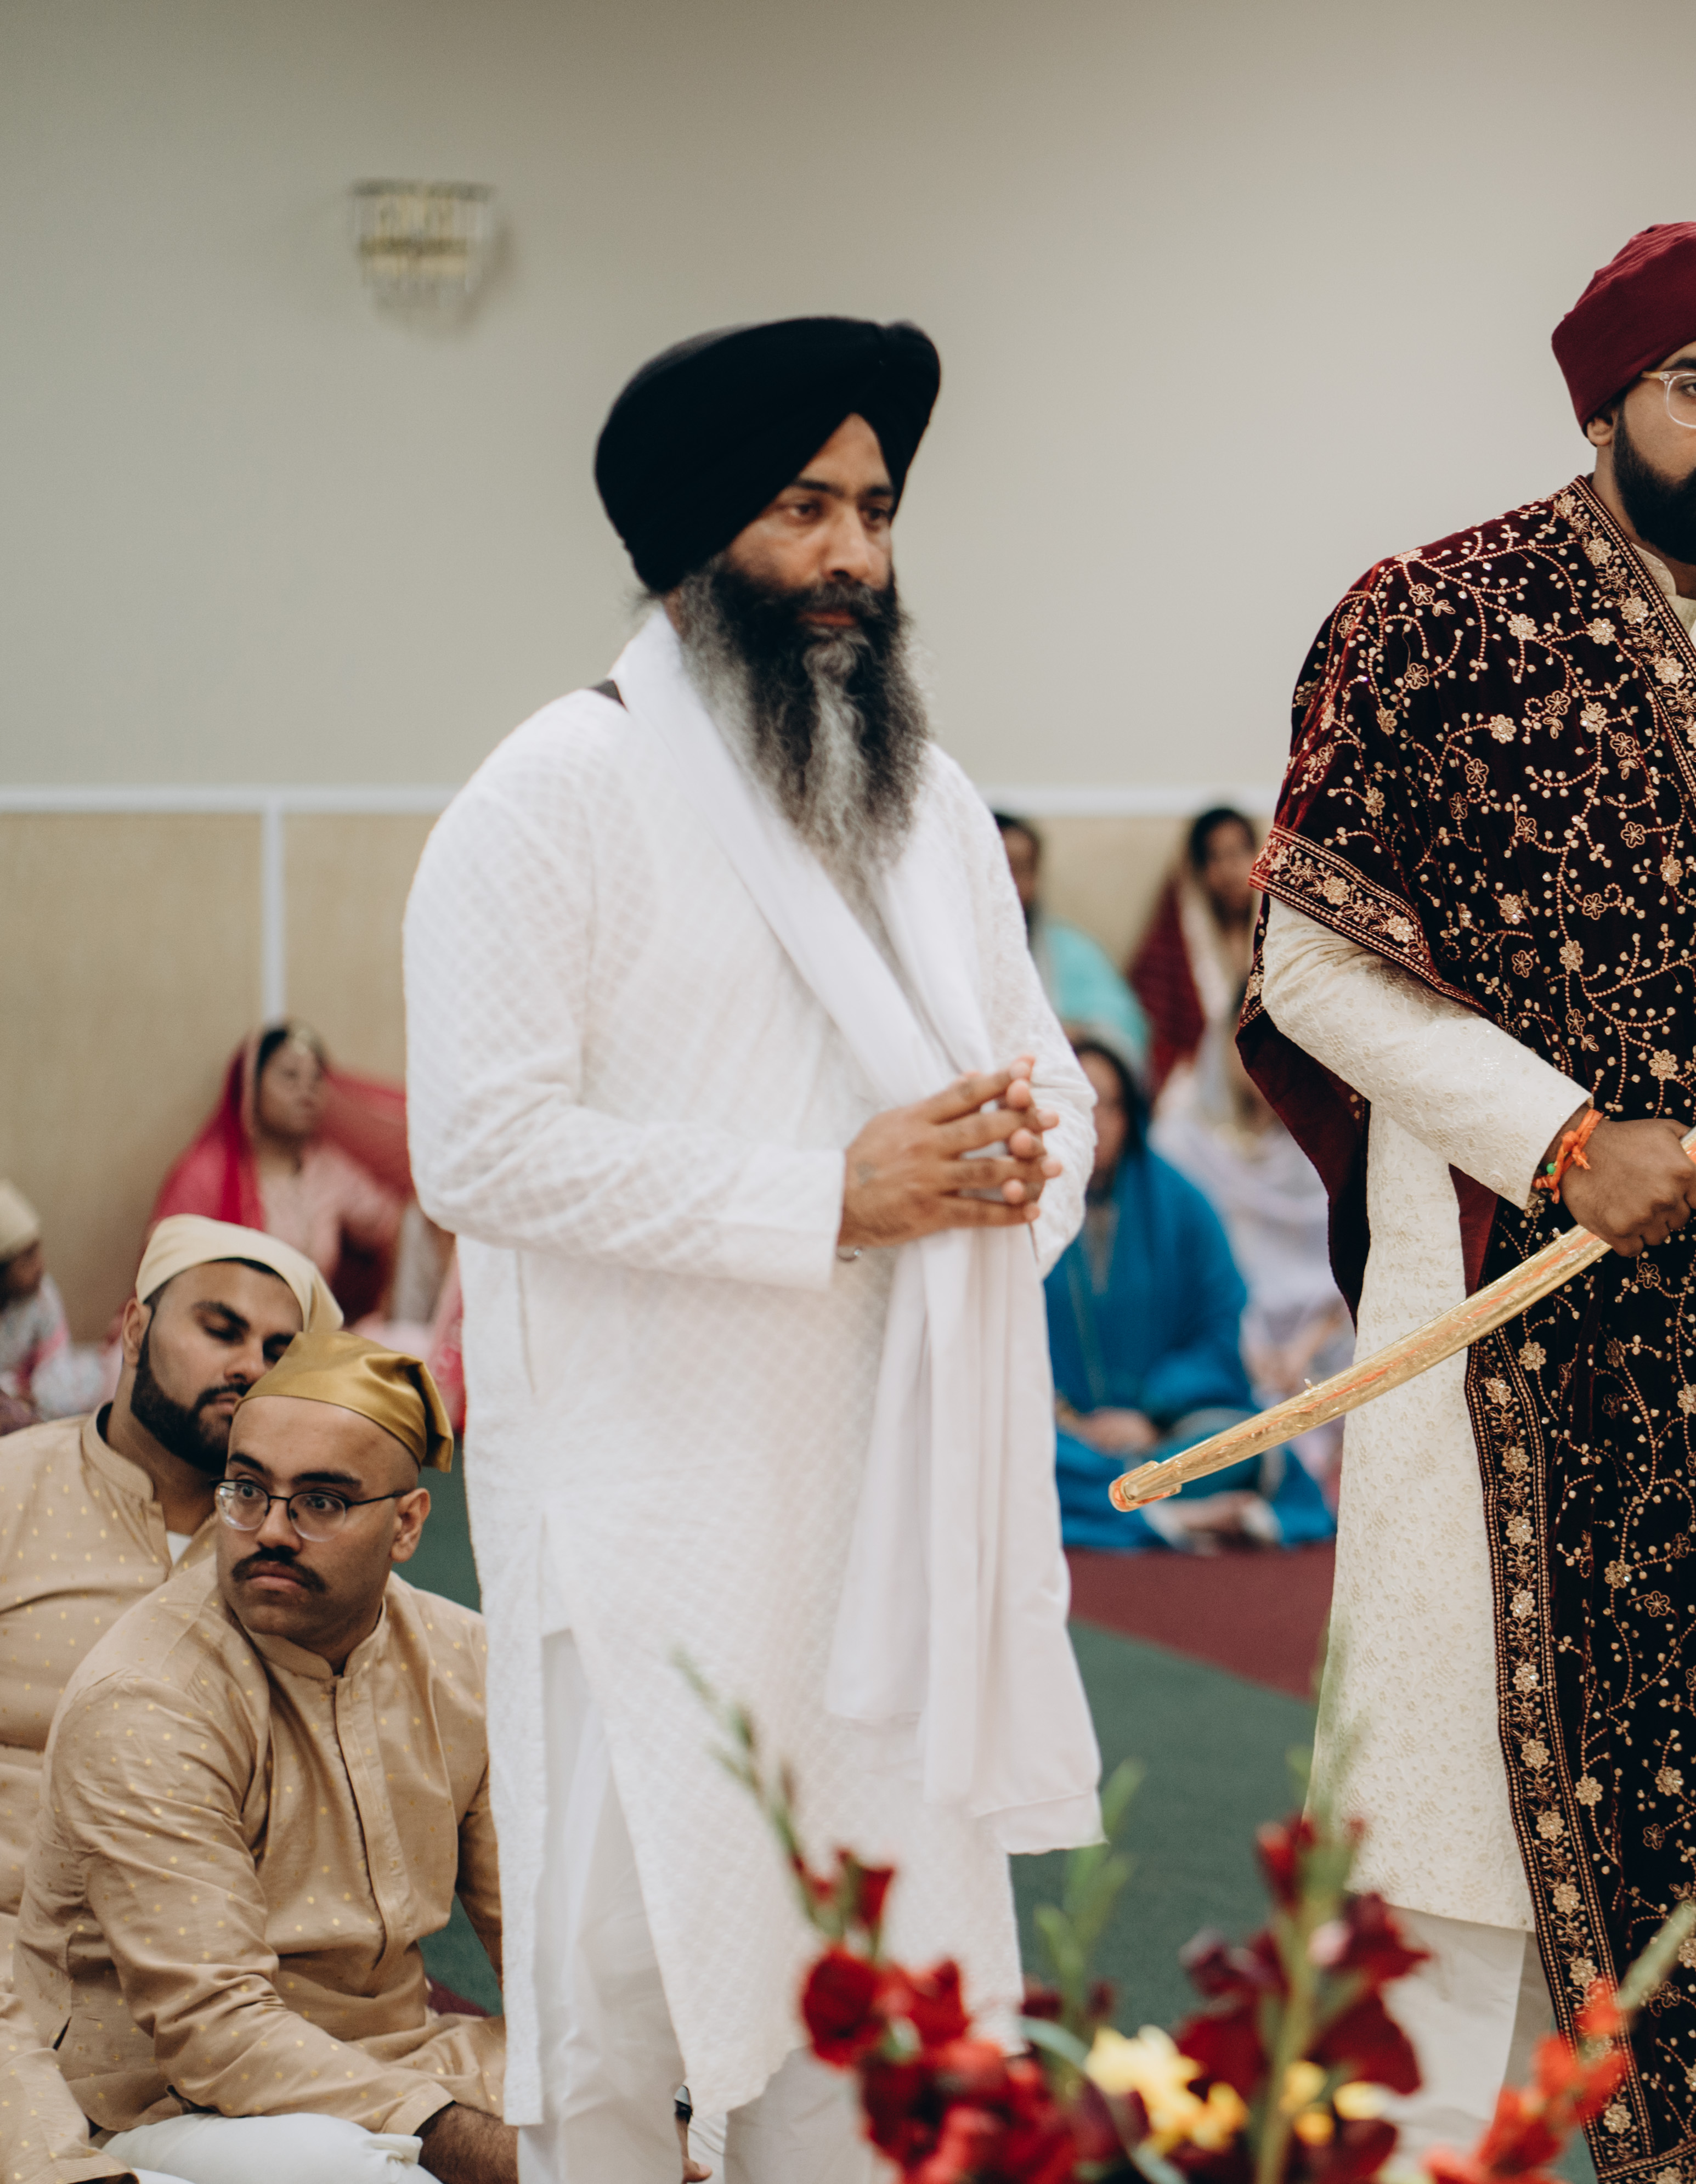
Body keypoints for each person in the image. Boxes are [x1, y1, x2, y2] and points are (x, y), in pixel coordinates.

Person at [1242, 213, 1696, 2184]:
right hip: (1509, 1320)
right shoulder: (1433, 620)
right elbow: (1311, 966)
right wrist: (1564, 1138)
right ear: (1602, 407)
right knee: (1456, 1859)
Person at [403, 316, 1100, 2182]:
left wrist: (1024, 1156)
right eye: (805, 508)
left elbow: (1043, 1074)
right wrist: (829, 1199)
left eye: (875, 508)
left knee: (876, 2002)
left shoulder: (925, 804)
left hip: (888, 1507)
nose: (857, 553)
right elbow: (479, 1145)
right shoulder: (554, 789)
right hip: (649, 1515)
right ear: (696, 535)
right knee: (619, 2013)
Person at [16, 1328, 507, 2184]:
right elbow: (217, 2033)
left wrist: (631, 2104)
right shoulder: (150, 1695)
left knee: (704, 2104)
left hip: (401, 2058)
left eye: (320, 1501)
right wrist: (492, 2149)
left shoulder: (465, 1662)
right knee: (362, 2173)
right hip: (174, 2103)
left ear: (406, 1525)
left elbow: (547, 1949)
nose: (269, 1530)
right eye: (246, 1490)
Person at [0, 1217, 334, 1923]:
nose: (251, 1368)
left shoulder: (309, 1548)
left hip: (221, 1958)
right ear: (133, 1332)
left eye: (279, 1353)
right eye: (222, 1331)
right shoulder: (13, 1489)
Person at [1049, 1030, 1329, 1552]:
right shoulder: (1021, 1208)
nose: (1094, 1123)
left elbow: (1220, 1326)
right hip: (1061, 1434)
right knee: (1006, 1451)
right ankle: (1164, 1510)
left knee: (1249, 1446)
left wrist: (1147, 1415)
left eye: (1109, 1106)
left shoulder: (1183, 1205)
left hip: (1165, 1433)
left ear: (1131, 1113)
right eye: (1079, 1105)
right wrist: (1068, 1420)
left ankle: (1134, 1501)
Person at [1151, 1022, 1354, 1498]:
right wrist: (1246, 1346)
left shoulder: (1327, 1141)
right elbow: (1193, 1275)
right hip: (1227, 1339)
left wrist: (1303, 1350)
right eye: (1249, 1037)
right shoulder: (1185, 1141)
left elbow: (1348, 1266)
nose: (1264, 1056)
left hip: (1326, 1345)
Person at [150, 1028, 414, 1325]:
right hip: (224, 1333)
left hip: (311, 1335)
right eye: (290, 1076)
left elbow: (398, 1223)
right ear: (251, 1087)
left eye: (316, 1079)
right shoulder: (207, 1174)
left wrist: (389, 1301)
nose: (306, 1091)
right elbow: (165, 1266)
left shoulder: (327, 1169)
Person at [995, 810, 1155, 1072]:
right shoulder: (946, 956)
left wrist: (1075, 1035)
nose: (1011, 883)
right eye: (1001, 868)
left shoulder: (1073, 952)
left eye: (1022, 870)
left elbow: (1125, 1030)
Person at [1127, 806, 1258, 1093]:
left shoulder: (1282, 933)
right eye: (1216, 857)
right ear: (1198, 870)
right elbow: (1155, 1033)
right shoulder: (1173, 944)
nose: (1231, 870)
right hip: (1199, 1092)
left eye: (1240, 852)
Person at [0, 1183, 110, 1430]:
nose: (40, 1265)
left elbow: (57, 1355)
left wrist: (37, 1393)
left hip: (37, 1389)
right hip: (10, 1395)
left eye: (38, 1251)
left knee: (99, 1372)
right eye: (27, 1258)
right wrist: (13, 1392)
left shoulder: (42, 1294)